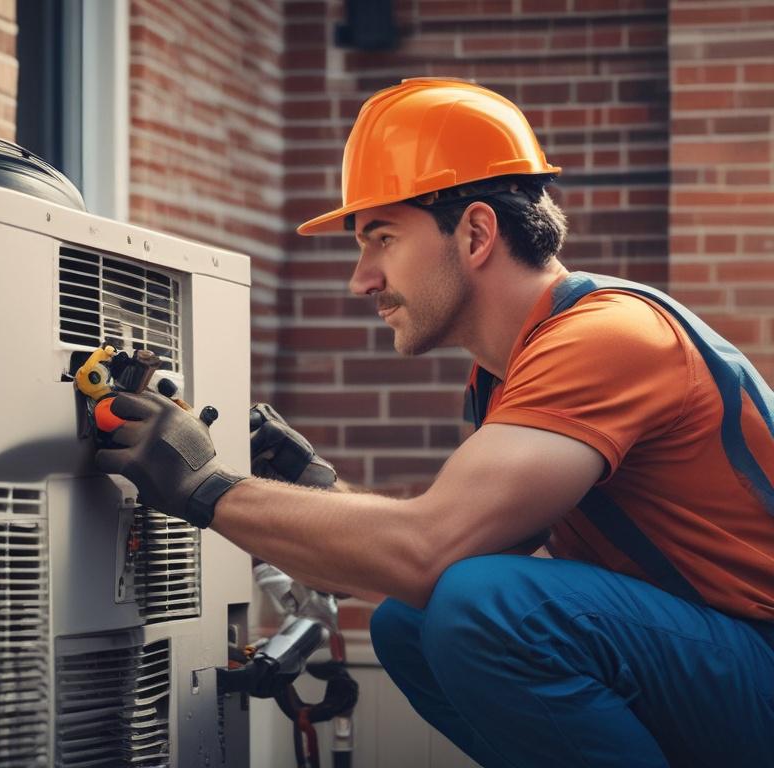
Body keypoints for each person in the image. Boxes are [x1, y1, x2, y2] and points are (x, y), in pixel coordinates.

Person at [94, 78, 774, 767]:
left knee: (485, 607)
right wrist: (320, 497)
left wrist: (207, 487)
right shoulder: (506, 373)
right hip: (712, 665)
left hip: (759, 668)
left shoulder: (605, 338)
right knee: (411, 624)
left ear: (476, 232)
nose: (362, 279)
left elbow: (436, 557)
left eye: (381, 237)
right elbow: (463, 564)